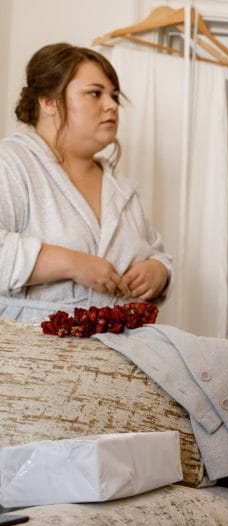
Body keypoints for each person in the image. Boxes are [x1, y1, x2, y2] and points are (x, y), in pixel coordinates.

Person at [0, 43, 171, 322]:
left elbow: (157, 252)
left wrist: (159, 272)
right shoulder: (11, 164)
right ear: (49, 101)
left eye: (114, 96)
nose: (111, 105)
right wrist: (72, 263)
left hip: (118, 347)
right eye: (95, 93)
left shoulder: (123, 189)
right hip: (31, 349)